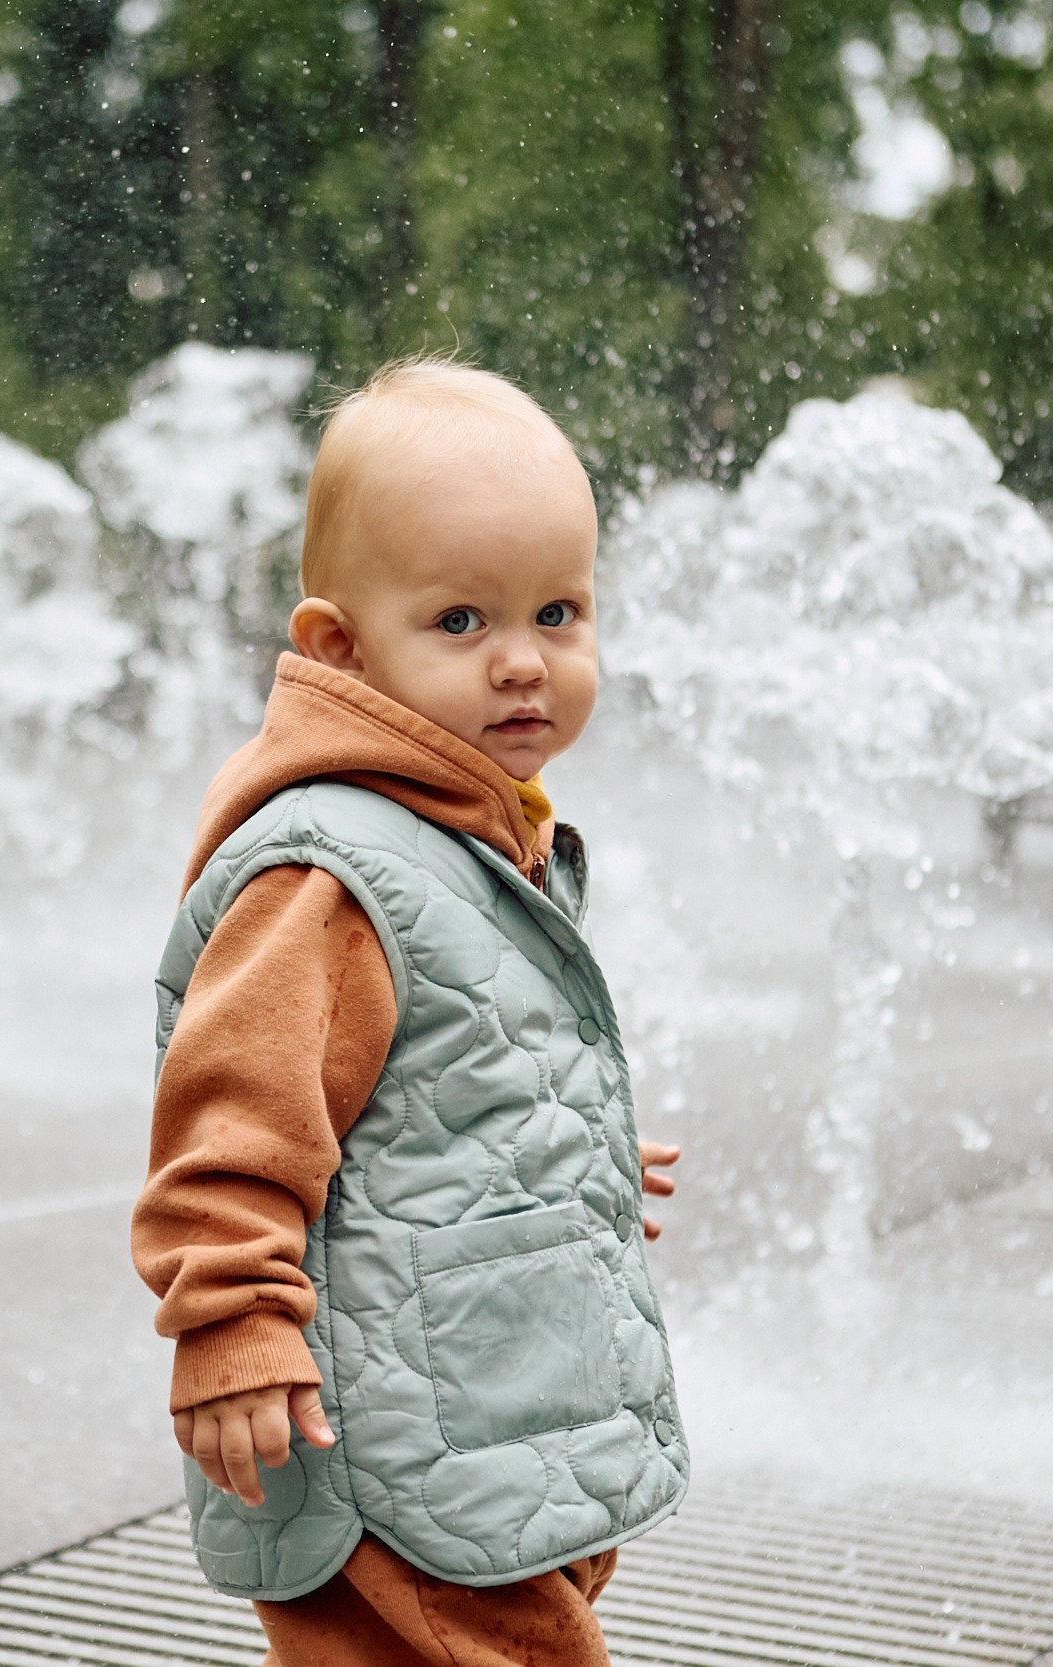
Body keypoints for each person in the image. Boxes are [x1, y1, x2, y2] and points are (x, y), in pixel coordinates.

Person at [132, 355, 689, 1666]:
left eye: (559, 613)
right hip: (387, 1443)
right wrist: (231, 1324)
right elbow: (232, 1123)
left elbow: (427, 1078)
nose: (522, 665)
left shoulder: (456, 831)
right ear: (340, 649)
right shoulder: (331, 875)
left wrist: (562, 1149)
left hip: (469, 1411)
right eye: (460, 623)